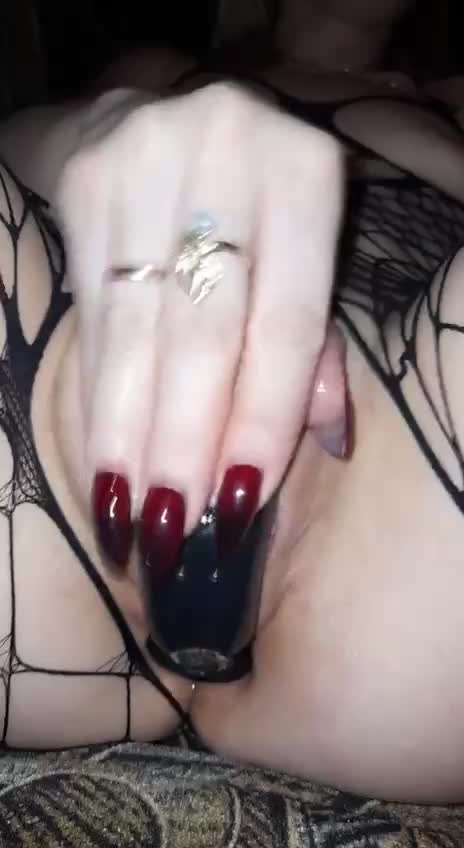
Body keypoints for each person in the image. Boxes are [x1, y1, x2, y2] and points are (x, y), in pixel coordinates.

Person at [1, 0, 464, 803]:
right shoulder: (164, 65)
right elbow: (18, 138)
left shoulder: (445, 97)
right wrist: (109, 126)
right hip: (74, 358)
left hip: (405, 447)